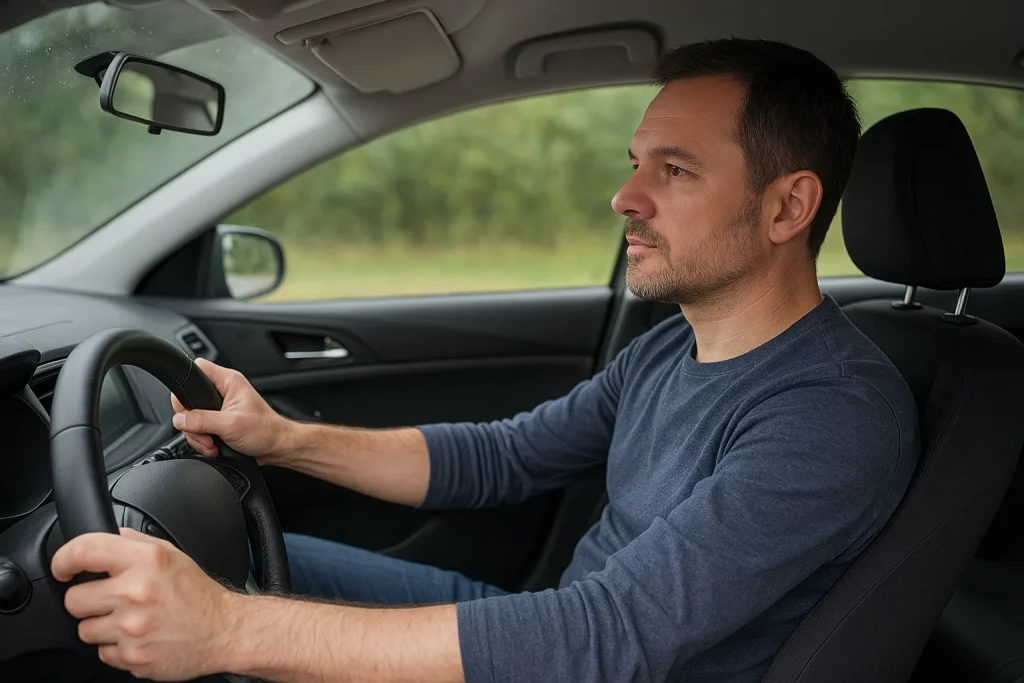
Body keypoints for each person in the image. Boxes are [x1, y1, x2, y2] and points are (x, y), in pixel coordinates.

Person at [51, 38, 919, 682]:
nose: (625, 195)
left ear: (787, 207)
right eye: (634, 164)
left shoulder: (831, 413)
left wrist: (229, 632)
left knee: (234, 603)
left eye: (676, 170)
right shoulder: (668, 348)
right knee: (246, 552)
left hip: (587, 654)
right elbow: (501, 457)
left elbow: (609, 638)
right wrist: (281, 438)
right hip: (550, 630)